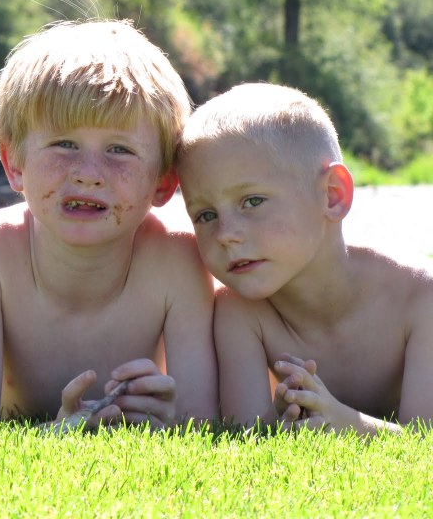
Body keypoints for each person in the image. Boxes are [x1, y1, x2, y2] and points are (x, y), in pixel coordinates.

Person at [0, 19, 217, 430]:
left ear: (164, 181)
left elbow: (204, 424)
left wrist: (169, 417)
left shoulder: (178, 260)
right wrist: (56, 431)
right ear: (14, 163)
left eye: (120, 150)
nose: (89, 173)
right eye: (64, 144)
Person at [175, 82, 433, 436]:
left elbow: (424, 441)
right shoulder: (239, 313)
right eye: (205, 215)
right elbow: (249, 437)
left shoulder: (418, 296)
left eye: (252, 201)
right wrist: (287, 426)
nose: (225, 234)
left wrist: (346, 423)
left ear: (332, 195)